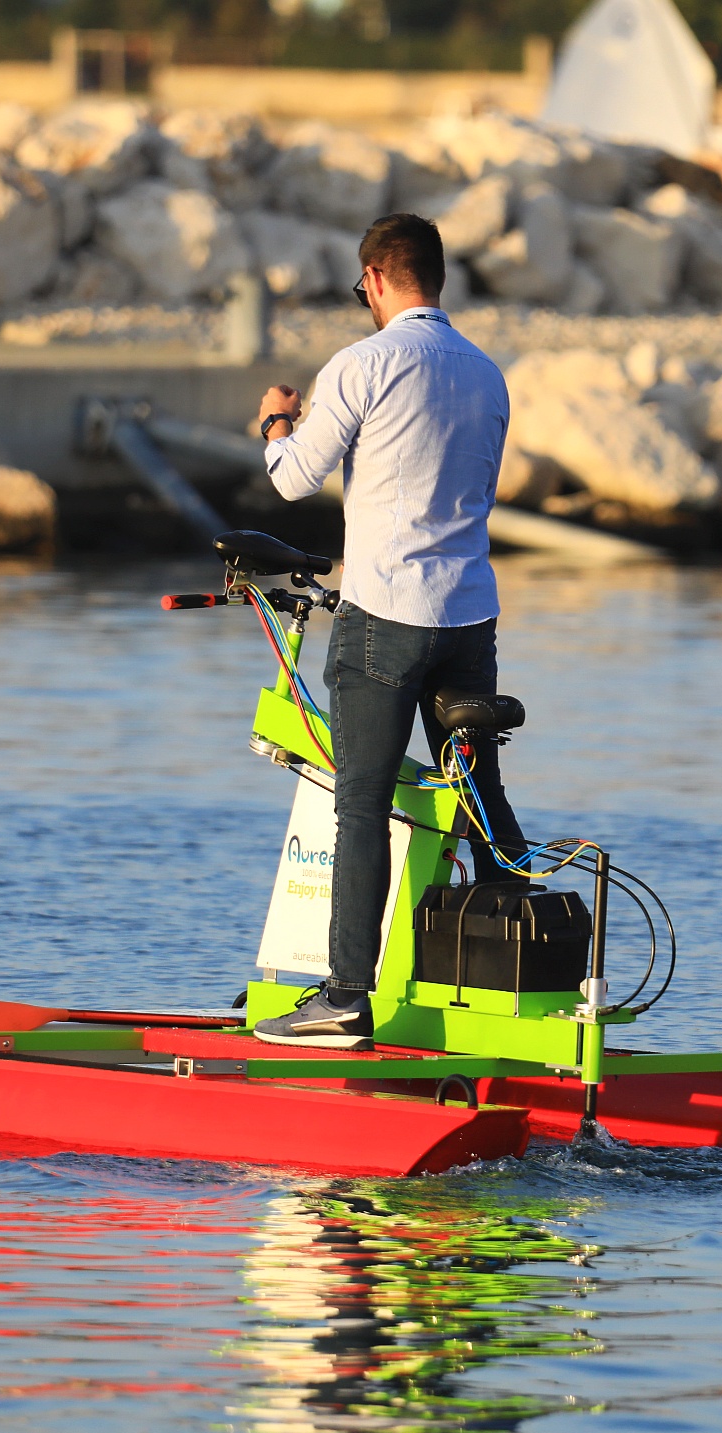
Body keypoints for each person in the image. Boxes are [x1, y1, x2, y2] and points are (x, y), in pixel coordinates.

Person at [248, 212, 528, 1051]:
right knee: (479, 792)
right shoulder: (487, 374)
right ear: (435, 279)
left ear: (373, 279)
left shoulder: (363, 363)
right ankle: (517, 976)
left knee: (361, 804)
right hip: (468, 615)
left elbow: (295, 481)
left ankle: (342, 997)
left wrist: (275, 425)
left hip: (384, 616)